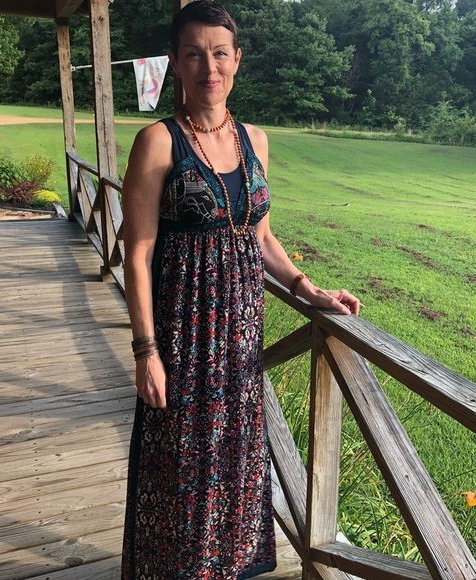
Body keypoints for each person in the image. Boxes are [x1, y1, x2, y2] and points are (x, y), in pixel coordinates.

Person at [121, 2, 360, 578]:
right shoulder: (157, 142)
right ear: (175, 62)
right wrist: (146, 351)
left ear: (237, 60)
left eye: (220, 53)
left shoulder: (256, 140)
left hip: (240, 338)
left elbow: (261, 236)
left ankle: (223, 568)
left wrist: (308, 289)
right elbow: (137, 253)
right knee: (179, 469)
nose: (209, 67)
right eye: (194, 54)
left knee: (233, 464)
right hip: (181, 341)